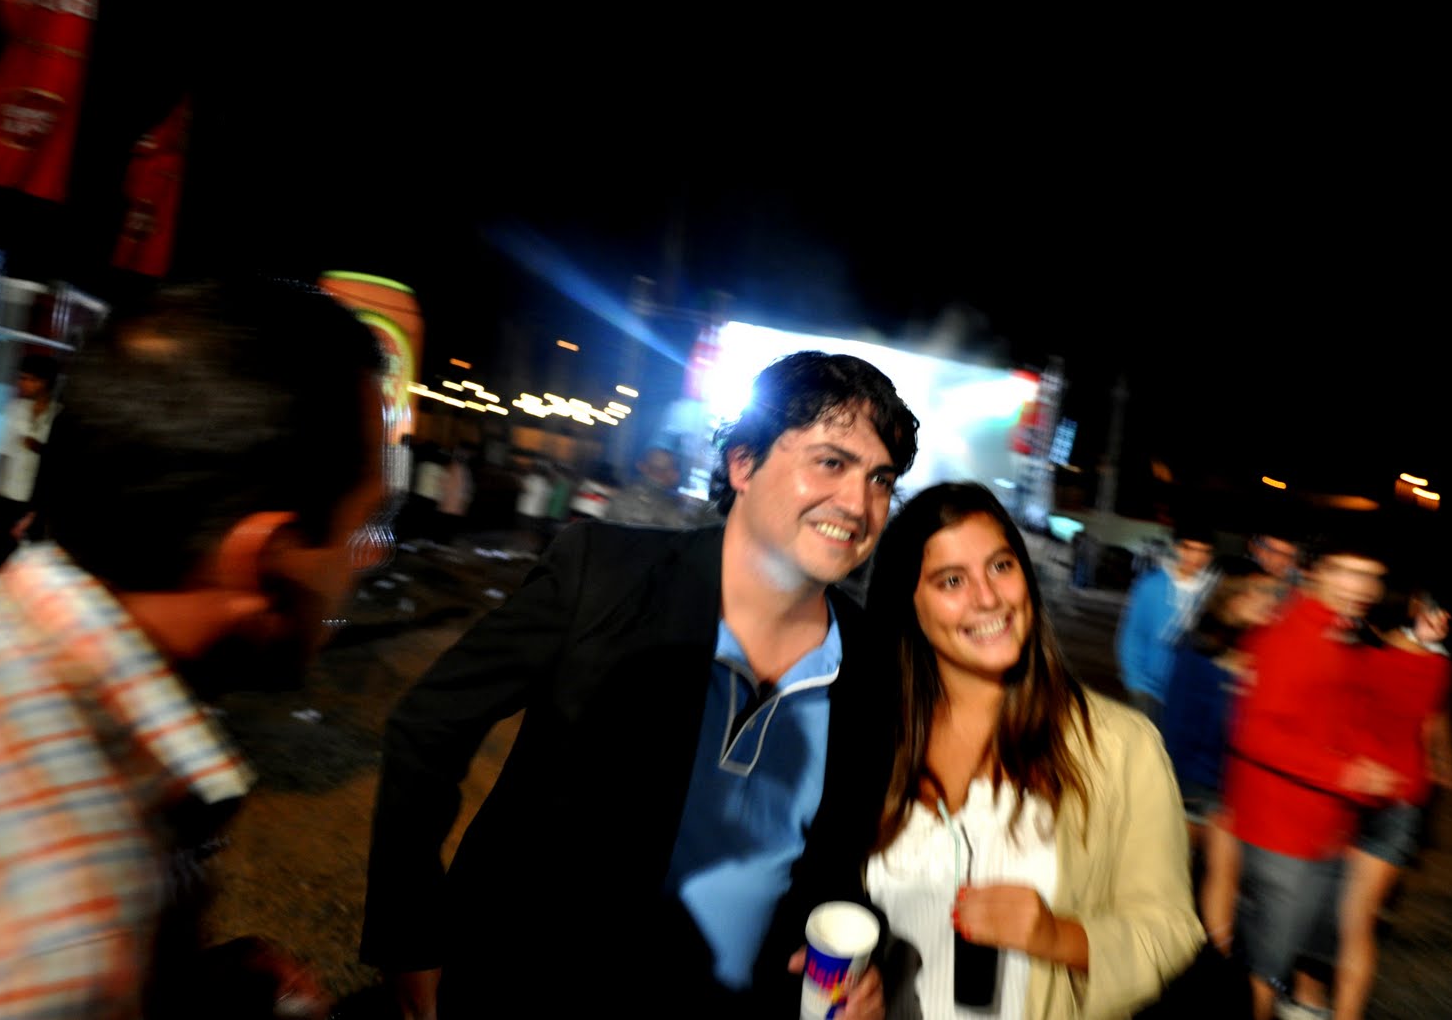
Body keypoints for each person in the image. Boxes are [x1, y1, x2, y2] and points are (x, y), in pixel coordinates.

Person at [360, 351, 921, 1018]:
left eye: (881, 479)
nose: (858, 504)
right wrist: (409, 933)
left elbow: (834, 857)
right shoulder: (604, 576)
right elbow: (430, 727)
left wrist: (855, 958)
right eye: (830, 462)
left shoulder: (870, 661)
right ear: (743, 463)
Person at [0, 279, 389, 1019]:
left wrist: (182, 985)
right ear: (264, 558)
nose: (371, 554)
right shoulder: (71, 946)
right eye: (362, 524)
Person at [862, 482, 1204, 1018]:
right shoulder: (874, 738)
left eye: (1001, 566)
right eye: (952, 580)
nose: (988, 598)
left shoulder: (1119, 748)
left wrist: (1058, 937)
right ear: (910, 606)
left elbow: (1172, 933)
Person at [1221, 534, 1406, 1020]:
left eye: (1371, 577)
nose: (1361, 587)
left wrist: (1373, 764)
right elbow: (1254, 734)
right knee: (1265, 964)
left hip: (1324, 830)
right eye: (1348, 572)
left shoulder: (1341, 634)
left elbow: (1339, 721)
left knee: (1301, 953)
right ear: (1315, 572)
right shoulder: (1289, 636)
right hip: (1281, 833)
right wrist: (1345, 773)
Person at [1291, 587, 1452, 1020]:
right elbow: (1428, 727)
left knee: (1319, 907)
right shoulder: (1438, 666)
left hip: (1346, 794)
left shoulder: (1356, 660)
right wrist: (1442, 767)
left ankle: (1307, 1001)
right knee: (1358, 921)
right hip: (1402, 798)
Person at [1160, 557, 1283, 951]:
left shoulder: (1263, 647)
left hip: (1231, 787)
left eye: (1274, 593)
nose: (1271, 601)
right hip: (1190, 781)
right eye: (1262, 593)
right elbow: (1178, 724)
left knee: (1223, 876)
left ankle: (1217, 962)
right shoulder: (1198, 650)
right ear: (1234, 598)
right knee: (1169, 877)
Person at [1115, 521, 1216, 728]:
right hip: (1148, 688)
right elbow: (1133, 633)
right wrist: (1135, 681)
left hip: (1189, 691)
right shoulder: (1151, 585)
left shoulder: (1213, 592)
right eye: (1189, 548)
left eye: (1204, 552)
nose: (1196, 558)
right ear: (1177, 547)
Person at [0, 351, 60, 542]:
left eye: (28, 379)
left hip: (37, 495)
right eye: (21, 378)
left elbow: (59, 457)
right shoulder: (14, 408)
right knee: (0, 539)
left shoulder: (57, 413)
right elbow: (1, 450)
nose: (21, 383)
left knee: (27, 543)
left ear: (43, 382)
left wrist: (37, 446)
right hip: (8, 490)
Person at [608, 442, 695, 528]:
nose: (676, 474)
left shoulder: (626, 493)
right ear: (642, 467)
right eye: (659, 469)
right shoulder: (665, 504)